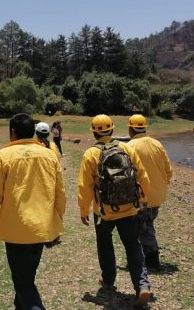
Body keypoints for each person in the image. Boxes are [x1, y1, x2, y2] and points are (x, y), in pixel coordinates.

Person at [0, 113, 66, 310]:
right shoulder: (49, 155)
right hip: (42, 227)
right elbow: (60, 194)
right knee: (27, 277)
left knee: (23, 283)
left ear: (12, 132)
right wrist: (56, 223)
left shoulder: (4, 156)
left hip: (16, 230)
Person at [77, 114, 153, 307]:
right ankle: (142, 285)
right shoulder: (126, 147)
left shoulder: (90, 154)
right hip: (129, 208)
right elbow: (142, 175)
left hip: (104, 211)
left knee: (104, 245)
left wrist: (83, 209)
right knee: (133, 245)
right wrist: (142, 199)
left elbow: (84, 186)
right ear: (112, 130)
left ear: (94, 131)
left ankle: (109, 280)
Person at [126, 114, 173, 272]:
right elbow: (169, 171)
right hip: (158, 194)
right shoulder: (157, 144)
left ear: (131, 129)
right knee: (147, 225)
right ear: (144, 128)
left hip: (141, 196)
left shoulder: (129, 146)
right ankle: (147, 257)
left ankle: (152, 261)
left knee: (144, 229)